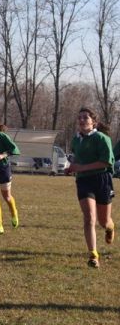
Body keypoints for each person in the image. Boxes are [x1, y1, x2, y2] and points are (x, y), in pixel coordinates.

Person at [65, 107, 115, 268]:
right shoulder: (76, 140)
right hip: (84, 181)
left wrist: (80, 167)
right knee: (89, 217)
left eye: (85, 117)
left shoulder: (102, 138)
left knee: (104, 221)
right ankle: (93, 255)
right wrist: (72, 167)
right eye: (79, 118)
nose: (81, 120)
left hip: (102, 179)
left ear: (94, 122)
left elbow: (106, 162)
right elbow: (77, 157)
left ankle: (109, 228)